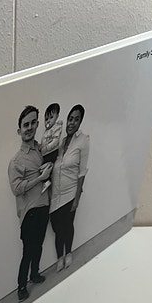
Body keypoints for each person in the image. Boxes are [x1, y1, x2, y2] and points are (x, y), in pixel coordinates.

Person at [8, 106, 53, 302]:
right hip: (29, 213)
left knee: (39, 245)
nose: (30, 127)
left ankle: (35, 274)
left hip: (43, 205)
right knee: (28, 251)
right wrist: (40, 178)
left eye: (33, 123)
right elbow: (16, 188)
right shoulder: (16, 161)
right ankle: (21, 286)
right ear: (19, 130)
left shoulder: (42, 150)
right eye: (26, 125)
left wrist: (49, 166)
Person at [50, 104, 89, 272]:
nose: (72, 123)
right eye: (70, 119)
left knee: (67, 224)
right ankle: (60, 256)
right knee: (57, 227)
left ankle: (68, 254)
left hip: (71, 191)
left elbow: (82, 171)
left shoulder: (83, 140)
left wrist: (77, 199)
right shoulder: (61, 142)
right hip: (56, 194)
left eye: (76, 119)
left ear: (80, 122)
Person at [40, 103, 63, 194]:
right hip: (46, 152)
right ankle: (47, 181)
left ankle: (47, 181)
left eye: (51, 117)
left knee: (46, 167)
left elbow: (56, 141)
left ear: (57, 117)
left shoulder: (56, 128)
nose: (48, 121)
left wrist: (47, 147)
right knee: (42, 168)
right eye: (46, 119)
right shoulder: (47, 130)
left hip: (52, 152)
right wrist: (41, 147)